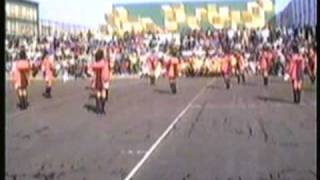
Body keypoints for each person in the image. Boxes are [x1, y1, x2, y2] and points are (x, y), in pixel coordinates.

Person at [89, 49, 107, 114]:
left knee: (98, 93)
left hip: (96, 79)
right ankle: (102, 109)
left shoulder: (94, 63)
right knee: (103, 93)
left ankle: (97, 109)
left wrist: (92, 77)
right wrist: (106, 79)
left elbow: (90, 71)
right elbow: (105, 73)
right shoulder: (104, 63)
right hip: (102, 79)